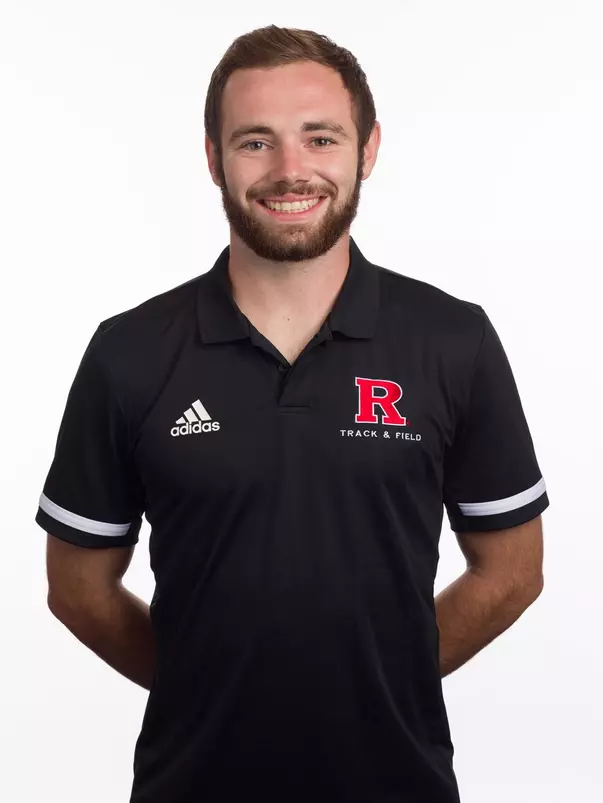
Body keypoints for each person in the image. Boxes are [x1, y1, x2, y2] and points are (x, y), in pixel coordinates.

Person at [36, 24, 549, 803]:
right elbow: (77, 588)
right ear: (212, 158)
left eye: (319, 137)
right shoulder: (129, 352)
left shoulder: (453, 340)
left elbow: (512, 571)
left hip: (397, 783)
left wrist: (378, 675)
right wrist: (205, 683)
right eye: (254, 142)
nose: (290, 169)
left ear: (366, 149)